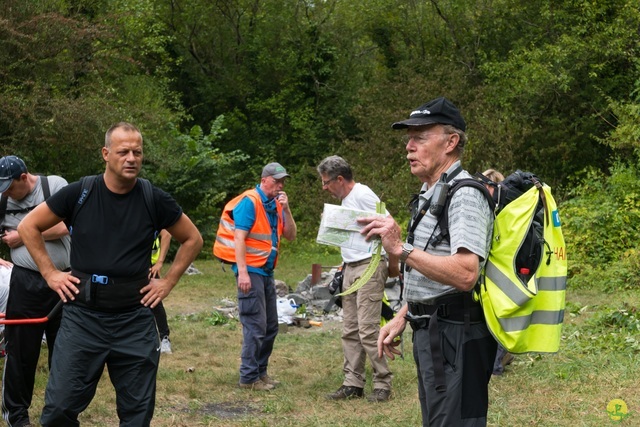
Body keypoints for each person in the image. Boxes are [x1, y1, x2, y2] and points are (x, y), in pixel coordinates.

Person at [17, 122, 203, 426]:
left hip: (134, 318)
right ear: (106, 154)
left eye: (137, 152)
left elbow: (193, 238)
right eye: (123, 152)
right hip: (82, 318)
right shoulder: (80, 193)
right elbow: (28, 226)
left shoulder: (152, 198)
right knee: (59, 409)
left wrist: (167, 281)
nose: (131, 158)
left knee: (136, 414)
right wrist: (50, 273)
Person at [359, 97, 496, 426]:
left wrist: (400, 248)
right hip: (433, 330)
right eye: (408, 138)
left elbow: (466, 274)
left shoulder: (463, 195)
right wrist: (403, 316)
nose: (408, 147)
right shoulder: (430, 193)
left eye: (420, 137)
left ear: (451, 142)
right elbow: (431, 269)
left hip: (457, 334)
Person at [317, 155, 395, 403]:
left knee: (368, 330)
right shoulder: (345, 201)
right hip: (350, 267)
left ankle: (383, 383)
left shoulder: (362, 194)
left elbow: (390, 224)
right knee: (350, 329)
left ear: (340, 179)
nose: (324, 187)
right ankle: (353, 383)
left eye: (326, 182)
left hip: (370, 265)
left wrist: (393, 264)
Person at [0, 155, 71, 427]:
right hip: (26, 282)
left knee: (64, 352)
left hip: (64, 280)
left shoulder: (53, 186)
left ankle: (58, 414)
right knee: (20, 352)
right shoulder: (3, 200)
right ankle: (17, 417)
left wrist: (23, 233)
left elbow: (66, 225)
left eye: (9, 185)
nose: (6, 191)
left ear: (23, 176)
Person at [213, 162, 297, 391]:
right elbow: (239, 238)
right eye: (276, 181)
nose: (280, 186)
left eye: (283, 182)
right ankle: (249, 377)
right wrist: (242, 273)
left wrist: (287, 209)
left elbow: (290, 235)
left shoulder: (276, 205)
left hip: (266, 271)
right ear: (264, 180)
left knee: (271, 326)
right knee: (255, 325)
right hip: (250, 271)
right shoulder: (250, 201)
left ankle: (261, 373)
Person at [480, 168, 515, 376]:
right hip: (492, 270)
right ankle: (500, 358)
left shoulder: (501, 212)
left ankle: (497, 363)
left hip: (498, 270)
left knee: (497, 317)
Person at [149, 229, 173, 354]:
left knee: (155, 301)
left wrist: (159, 262)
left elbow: (167, 234)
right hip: (128, 265)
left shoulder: (151, 213)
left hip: (150, 267)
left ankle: (164, 338)